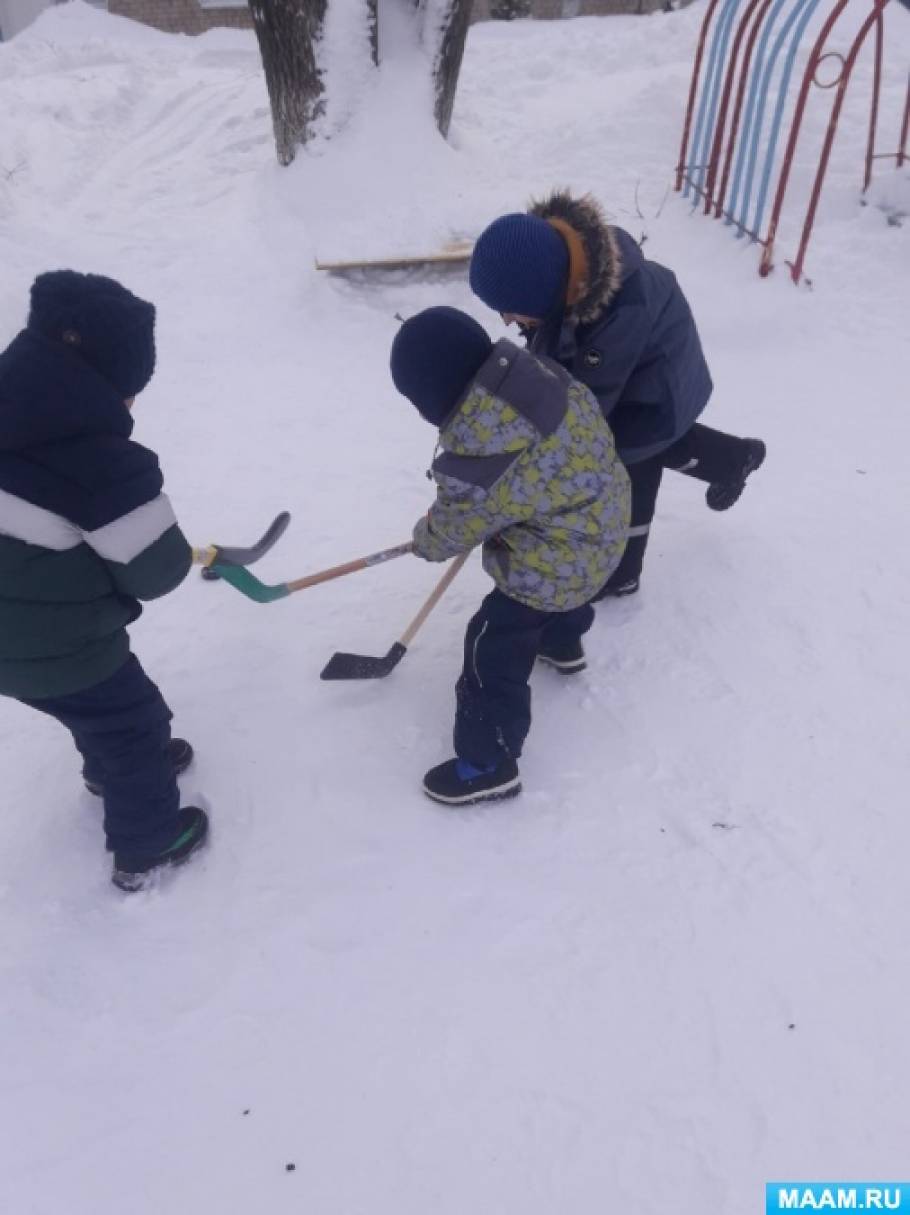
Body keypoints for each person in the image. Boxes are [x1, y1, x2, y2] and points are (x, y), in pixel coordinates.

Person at [0, 271, 209, 891]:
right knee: (132, 721)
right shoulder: (102, 468)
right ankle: (147, 844)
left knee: (84, 708)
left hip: (13, 645)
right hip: (53, 643)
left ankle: (107, 771)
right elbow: (156, 571)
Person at [469, 190, 766, 596]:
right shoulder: (566, 270)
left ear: (544, 292)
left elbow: (582, 414)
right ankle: (734, 459)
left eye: (512, 310)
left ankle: (622, 572)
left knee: (630, 461)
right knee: (659, 443)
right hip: (635, 369)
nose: (506, 321)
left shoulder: (618, 312)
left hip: (659, 389)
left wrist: (530, 461)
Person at [389, 306, 630, 807]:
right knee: (563, 582)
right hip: (605, 525)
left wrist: (426, 539)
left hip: (564, 558)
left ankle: (489, 762)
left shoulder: (479, 458)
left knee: (490, 641)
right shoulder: (538, 376)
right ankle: (564, 644)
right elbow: (531, 481)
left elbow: (452, 530)